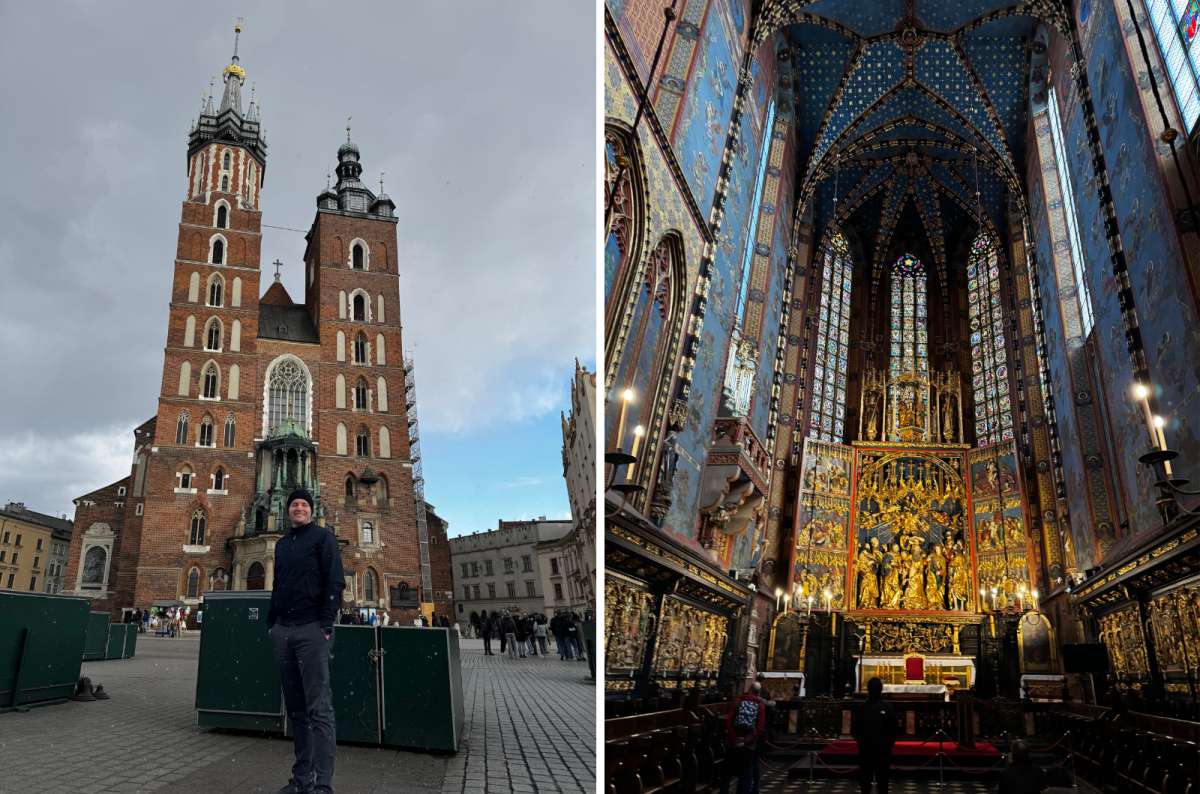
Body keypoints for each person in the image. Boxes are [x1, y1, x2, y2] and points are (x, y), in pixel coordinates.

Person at [267, 489, 345, 794]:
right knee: (296, 709)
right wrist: (271, 622)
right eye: (294, 505)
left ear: (311, 510)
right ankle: (302, 779)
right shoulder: (283, 544)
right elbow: (278, 584)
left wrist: (326, 623)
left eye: (304, 504)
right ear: (288, 511)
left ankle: (322, 784)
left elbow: (334, 579)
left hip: (312, 628)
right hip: (283, 630)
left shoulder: (323, 538)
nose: (299, 508)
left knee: (319, 709)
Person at [852, 677, 897, 794]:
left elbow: (855, 730)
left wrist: (861, 743)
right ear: (881, 689)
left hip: (869, 749)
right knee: (881, 782)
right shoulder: (886, 707)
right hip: (879, 749)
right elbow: (894, 729)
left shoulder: (862, 708)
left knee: (866, 781)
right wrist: (888, 744)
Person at [721, 681, 767, 794]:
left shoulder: (738, 701)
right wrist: (747, 740)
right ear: (758, 692)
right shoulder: (760, 705)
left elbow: (729, 720)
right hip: (749, 745)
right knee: (746, 774)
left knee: (727, 772)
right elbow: (760, 727)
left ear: (749, 689)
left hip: (733, 743)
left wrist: (734, 738)